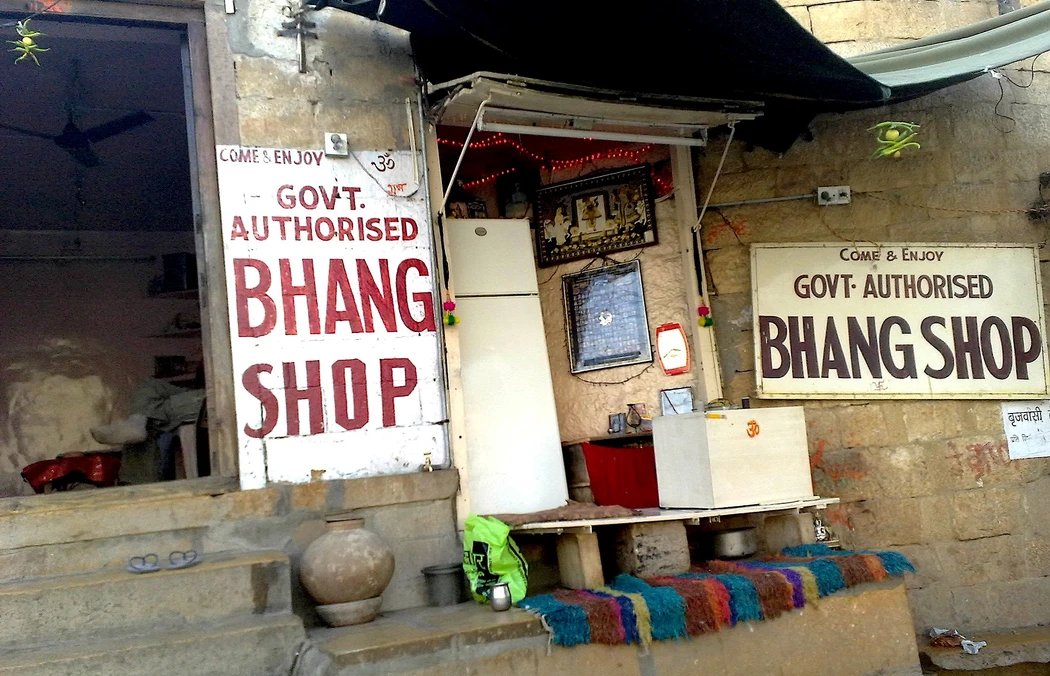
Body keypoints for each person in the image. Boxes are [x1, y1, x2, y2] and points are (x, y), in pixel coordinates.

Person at [90, 376, 205, 445]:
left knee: (156, 413)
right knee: (149, 388)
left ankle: (137, 421)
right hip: (202, 397)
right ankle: (138, 421)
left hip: (213, 401)